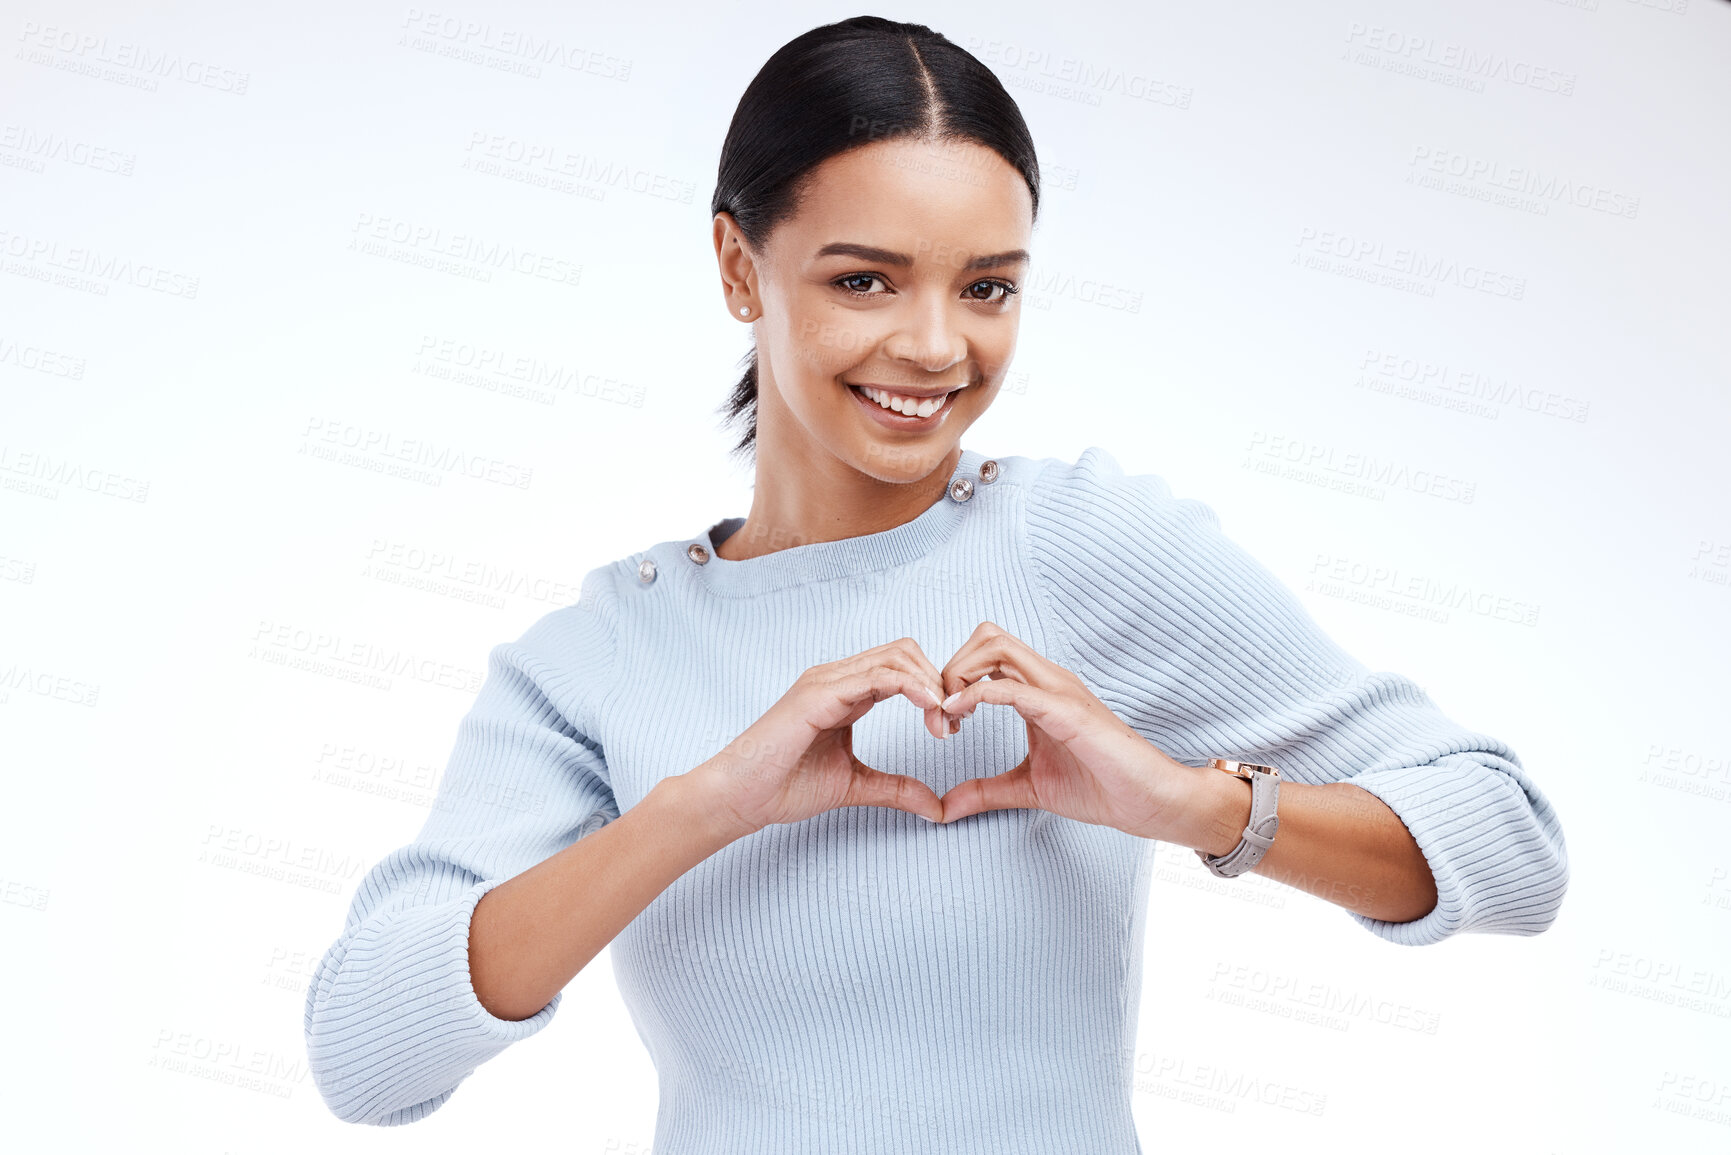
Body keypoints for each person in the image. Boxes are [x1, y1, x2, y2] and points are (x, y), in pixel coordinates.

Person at [303, 15, 1569, 1150]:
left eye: (987, 289)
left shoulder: (1082, 544)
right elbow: (366, 1052)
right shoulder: (603, 654)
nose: (934, 345)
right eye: (864, 278)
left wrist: (1193, 804)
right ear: (740, 268)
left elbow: (1508, 845)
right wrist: (702, 808)